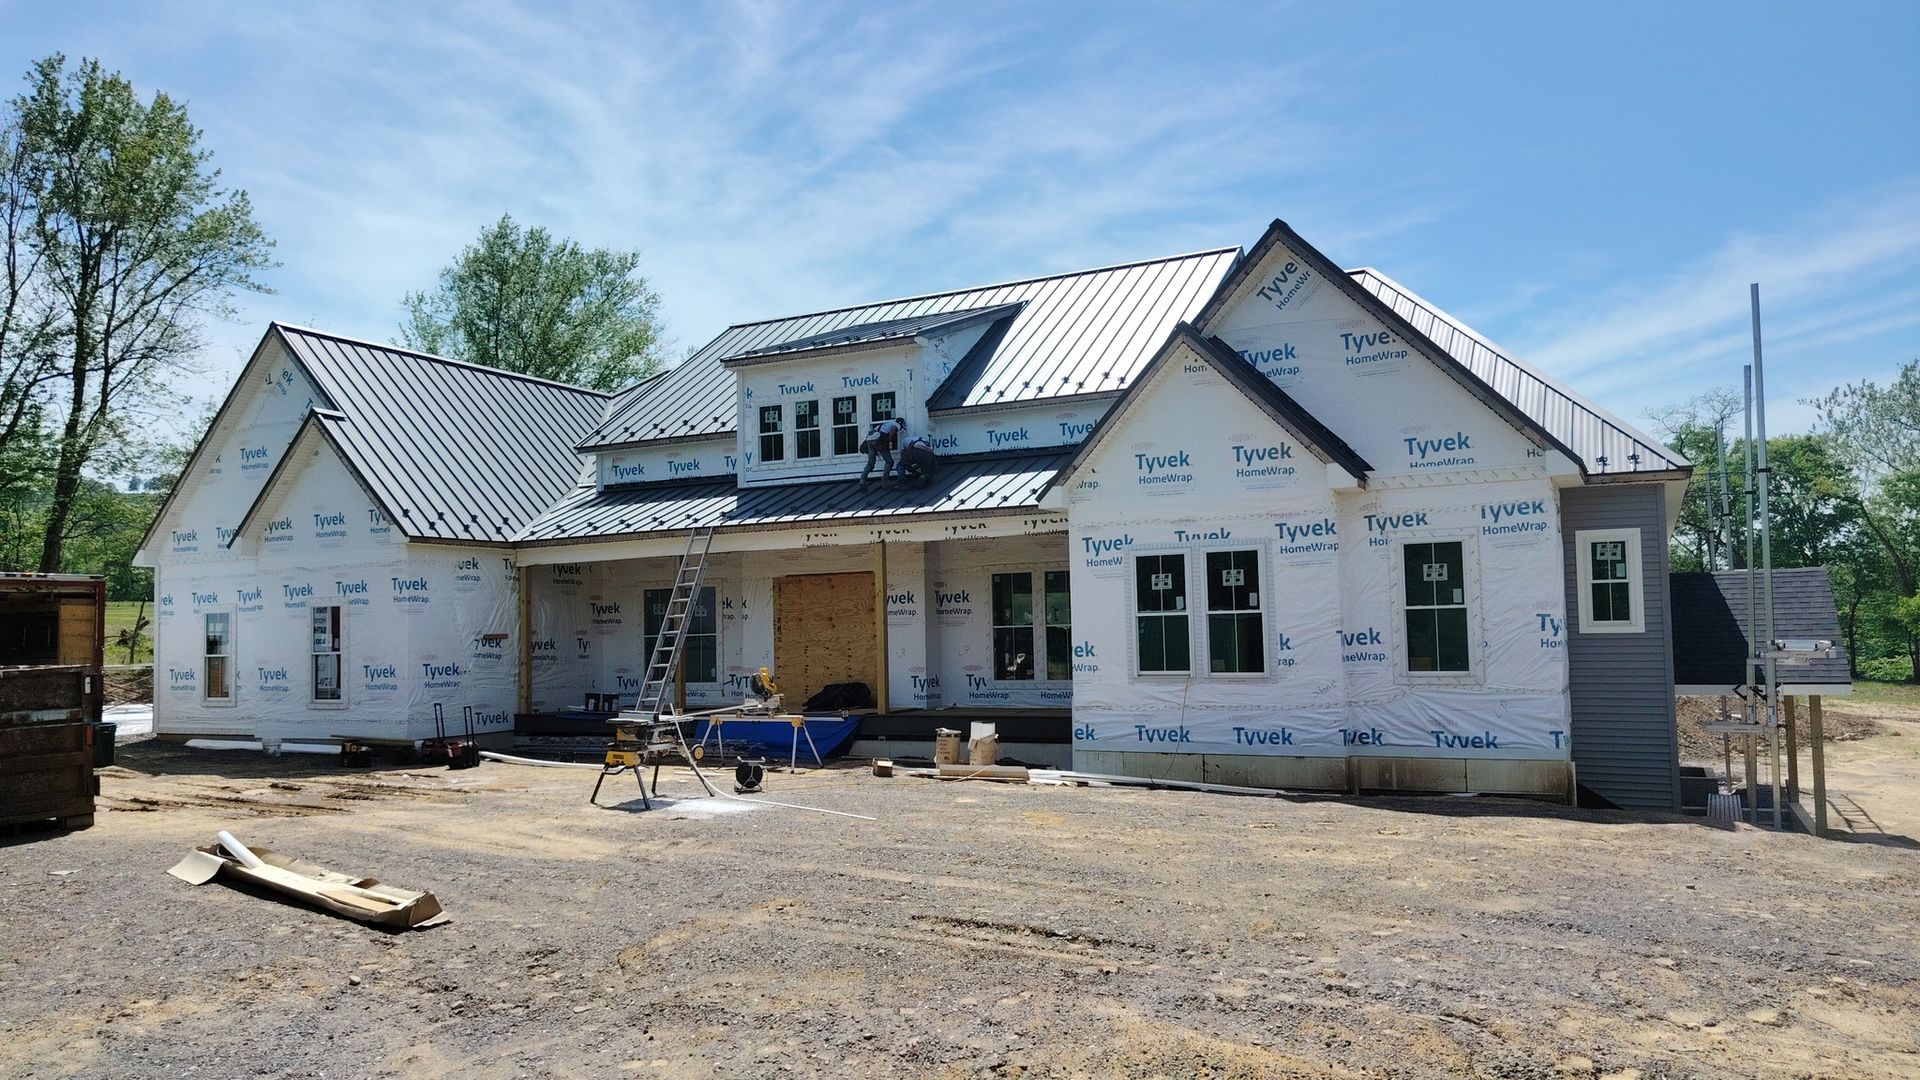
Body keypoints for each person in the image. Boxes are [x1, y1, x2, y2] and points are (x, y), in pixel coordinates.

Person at [858, 416, 905, 485]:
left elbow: (872, 434)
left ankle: (862, 480)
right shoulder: (896, 424)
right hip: (879, 440)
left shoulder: (885, 424)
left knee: (870, 463)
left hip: (869, 440)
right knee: (889, 462)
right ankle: (885, 481)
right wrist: (889, 442)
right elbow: (893, 430)